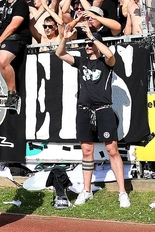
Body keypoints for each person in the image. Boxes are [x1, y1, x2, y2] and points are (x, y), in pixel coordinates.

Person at [54, 25, 130, 208]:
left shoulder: (106, 62)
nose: (87, 46)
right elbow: (60, 54)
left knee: (113, 150)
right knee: (87, 152)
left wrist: (92, 36)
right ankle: (86, 190)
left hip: (104, 109)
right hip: (84, 110)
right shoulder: (81, 61)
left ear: (97, 44)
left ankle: (122, 192)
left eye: (90, 43)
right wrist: (64, 38)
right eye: (86, 43)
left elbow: (111, 56)